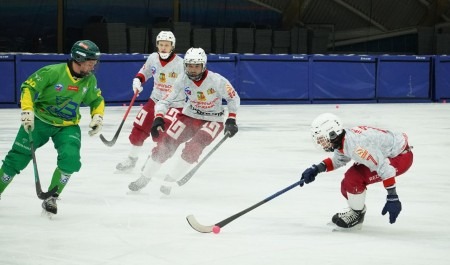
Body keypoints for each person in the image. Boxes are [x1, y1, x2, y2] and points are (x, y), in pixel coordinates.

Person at [0, 40, 104, 216]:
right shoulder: (53, 72)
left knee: (71, 159)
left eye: (94, 64)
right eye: (89, 63)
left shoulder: (89, 80)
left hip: (67, 126)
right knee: (17, 158)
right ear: (78, 59)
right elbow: (29, 87)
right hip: (40, 120)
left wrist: (97, 116)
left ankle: (52, 197)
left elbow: (96, 99)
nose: (92, 67)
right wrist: (27, 110)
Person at [128, 47, 240, 193]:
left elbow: (233, 97)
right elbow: (165, 100)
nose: (193, 70)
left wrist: (231, 119)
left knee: (194, 147)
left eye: (196, 66)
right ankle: (144, 177)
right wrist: (159, 117)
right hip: (189, 116)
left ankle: (170, 180)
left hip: (213, 119)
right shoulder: (182, 79)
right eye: (190, 66)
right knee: (165, 144)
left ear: (203, 65)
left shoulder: (217, 80)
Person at [300, 113, 413, 230]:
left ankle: (357, 216)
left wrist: (392, 196)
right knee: (346, 185)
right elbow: (339, 160)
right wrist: (316, 169)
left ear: (332, 134)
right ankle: (356, 210)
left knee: (353, 179)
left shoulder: (357, 146)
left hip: (400, 158)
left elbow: (384, 168)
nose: (321, 143)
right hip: (390, 154)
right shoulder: (343, 139)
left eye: (322, 140)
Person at [116, 31, 185, 171]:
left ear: (172, 46)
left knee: (162, 134)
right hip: (155, 100)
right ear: (157, 45)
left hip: (174, 105)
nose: (163, 47)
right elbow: (145, 72)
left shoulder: (181, 64)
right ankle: (131, 159)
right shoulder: (153, 58)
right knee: (140, 127)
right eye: (161, 44)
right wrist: (138, 80)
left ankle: (152, 160)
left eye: (167, 45)